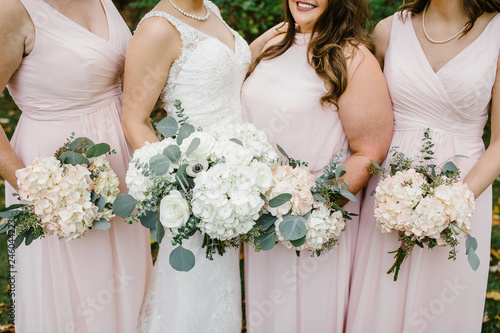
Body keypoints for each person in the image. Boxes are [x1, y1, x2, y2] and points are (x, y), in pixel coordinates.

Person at [120, 0, 281, 331]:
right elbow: (134, 119)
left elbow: (221, 78)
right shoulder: (157, 29)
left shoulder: (210, 9)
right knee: (193, 290)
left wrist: (265, 42)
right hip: (197, 188)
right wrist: (182, 187)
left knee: (221, 288)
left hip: (235, 182)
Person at [346, 1, 500, 332]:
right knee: (381, 298)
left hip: (464, 191)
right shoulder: (388, 31)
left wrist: (449, 205)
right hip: (389, 193)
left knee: (441, 304)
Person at [0, 0, 152, 331]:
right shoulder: (12, 10)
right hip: (56, 171)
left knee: (126, 279)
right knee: (80, 288)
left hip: (118, 164)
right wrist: (38, 191)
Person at [241, 0, 393, 331]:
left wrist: (312, 209)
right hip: (260, 222)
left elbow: (369, 152)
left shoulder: (352, 58)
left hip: (313, 225)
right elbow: (231, 72)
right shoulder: (274, 43)